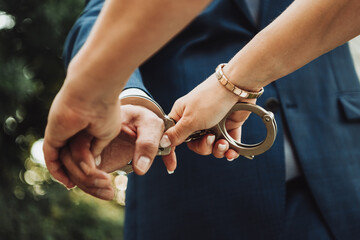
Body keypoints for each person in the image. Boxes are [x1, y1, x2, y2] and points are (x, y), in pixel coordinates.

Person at [50, 0, 360, 239]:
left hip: (339, 173)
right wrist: (124, 94)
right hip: (194, 197)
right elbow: (101, 16)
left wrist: (230, 83)